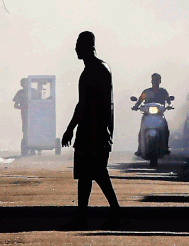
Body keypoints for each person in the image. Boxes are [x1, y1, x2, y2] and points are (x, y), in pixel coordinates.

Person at [61, 31, 121, 230]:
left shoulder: (97, 70)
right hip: (89, 129)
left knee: (97, 172)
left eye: (79, 44)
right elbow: (84, 104)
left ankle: (115, 210)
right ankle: (82, 216)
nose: (76, 48)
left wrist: (102, 130)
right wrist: (73, 128)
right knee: (86, 175)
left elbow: (94, 104)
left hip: (95, 130)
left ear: (89, 46)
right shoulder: (94, 69)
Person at [132, 73, 172, 157]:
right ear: (151, 80)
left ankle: (166, 147)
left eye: (157, 79)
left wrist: (169, 105)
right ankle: (140, 148)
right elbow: (140, 100)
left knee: (166, 130)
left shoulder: (163, 91)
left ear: (160, 81)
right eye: (154, 79)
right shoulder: (146, 92)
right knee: (141, 131)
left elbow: (168, 100)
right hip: (147, 115)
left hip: (160, 115)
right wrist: (136, 106)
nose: (156, 81)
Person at [13, 78, 40, 152]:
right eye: (24, 83)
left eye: (26, 83)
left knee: (34, 129)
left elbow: (40, 102)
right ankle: (27, 146)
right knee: (26, 131)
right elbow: (15, 105)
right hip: (25, 116)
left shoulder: (34, 91)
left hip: (34, 115)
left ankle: (33, 147)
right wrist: (22, 108)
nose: (25, 85)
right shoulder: (20, 93)